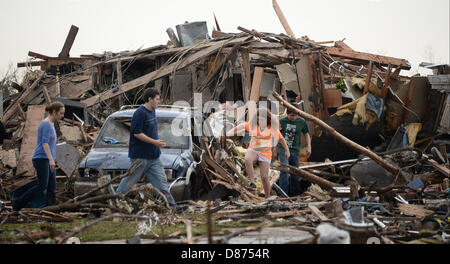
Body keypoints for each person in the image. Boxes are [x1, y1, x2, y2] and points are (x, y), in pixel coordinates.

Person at [116, 88, 176, 207]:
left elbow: (146, 131)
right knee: (129, 182)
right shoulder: (140, 113)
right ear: (150, 99)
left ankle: (173, 207)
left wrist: (155, 144)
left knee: (162, 185)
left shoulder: (152, 111)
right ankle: (116, 201)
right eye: (157, 99)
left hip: (154, 157)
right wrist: (155, 142)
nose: (159, 101)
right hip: (140, 157)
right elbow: (137, 133)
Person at [226, 108, 290, 199]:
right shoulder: (253, 125)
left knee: (264, 177)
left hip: (265, 152)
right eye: (259, 119)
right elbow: (241, 126)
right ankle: (252, 182)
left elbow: (281, 139)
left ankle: (267, 196)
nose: (260, 121)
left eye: (262, 119)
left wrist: (287, 150)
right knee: (248, 159)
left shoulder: (271, 128)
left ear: (267, 119)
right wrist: (229, 133)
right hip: (253, 149)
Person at [12, 102, 65, 211]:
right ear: (54, 112)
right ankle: (18, 203)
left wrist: (52, 158)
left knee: (52, 185)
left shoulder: (51, 124)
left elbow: (50, 144)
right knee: (42, 186)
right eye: (61, 113)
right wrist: (51, 160)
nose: (62, 116)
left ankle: (52, 207)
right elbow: (45, 143)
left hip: (48, 159)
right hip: (41, 158)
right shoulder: (45, 124)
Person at [276, 107, 312, 196]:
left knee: (295, 172)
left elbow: (306, 134)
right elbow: (276, 135)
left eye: (296, 115)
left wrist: (309, 146)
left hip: (295, 150)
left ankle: (294, 195)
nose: (294, 117)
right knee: (284, 170)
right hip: (283, 149)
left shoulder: (301, 121)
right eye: (292, 115)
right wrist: (274, 148)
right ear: (287, 114)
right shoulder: (282, 121)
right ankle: (283, 194)